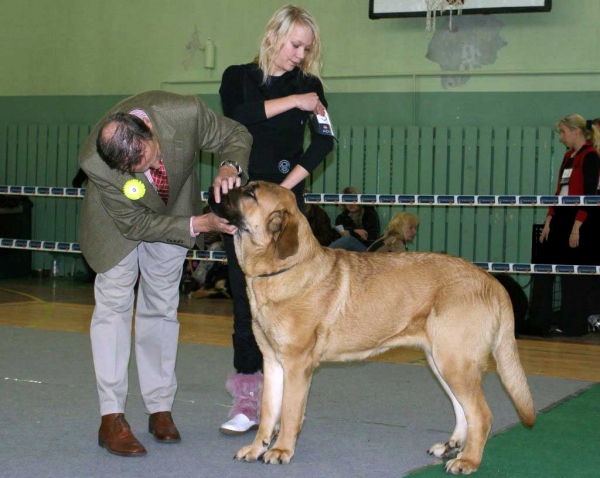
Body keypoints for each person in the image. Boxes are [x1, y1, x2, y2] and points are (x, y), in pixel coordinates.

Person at [78, 90, 252, 456]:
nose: (141, 171)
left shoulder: (184, 113)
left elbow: (236, 135)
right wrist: (198, 223)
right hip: (117, 227)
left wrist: (229, 166)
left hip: (173, 209)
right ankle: (111, 417)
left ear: (150, 130)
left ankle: (159, 407)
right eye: (130, 169)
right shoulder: (96, 162)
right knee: (113, 309)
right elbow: (136, 223)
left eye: (144, 158)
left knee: (161, 308)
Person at [218, 4, 334, 434]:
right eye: (295, 44)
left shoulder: (312, 85)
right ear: (274, 36)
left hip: (286, 208)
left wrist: (289, 187)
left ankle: (286, 395)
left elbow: (325, 140)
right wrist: (295, 102)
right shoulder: (238, 77)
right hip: (244, 206)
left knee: (294, 305)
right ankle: (248, 398)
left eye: (307, 48)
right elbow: (236, 117)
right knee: (246, 304)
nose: (301, 55)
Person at [536, 114, 600, 336]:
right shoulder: (567, 156)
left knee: (576, 276)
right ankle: (552, 320)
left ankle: (576, 324)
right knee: (559, 271)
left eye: (563, 132)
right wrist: (549, 220)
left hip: (580, 220)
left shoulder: (591, 156)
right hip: (562, 218)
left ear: (575, 131)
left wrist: (577, 227)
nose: (561, 137)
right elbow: (559, 191)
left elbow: (589, 195)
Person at [329, 186, 380, 252]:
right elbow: (337, 238)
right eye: (347, 201)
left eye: (352, 200)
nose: (350, 204)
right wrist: (355, 231)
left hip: (366, 251)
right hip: (347, 253)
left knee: (348, 240)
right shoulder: (341, 218)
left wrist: (350, 233)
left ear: (358, 200)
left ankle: (324, 256)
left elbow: (372, 237)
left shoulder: (369, 214)